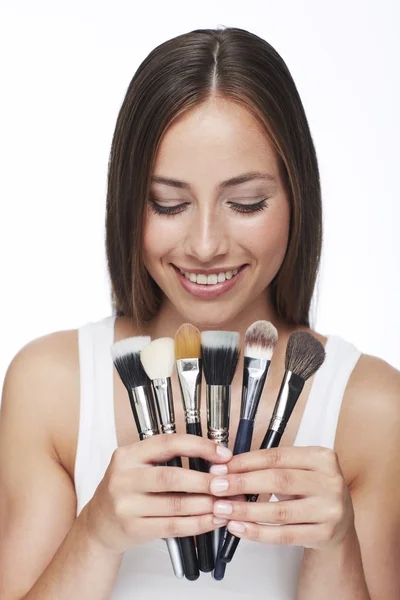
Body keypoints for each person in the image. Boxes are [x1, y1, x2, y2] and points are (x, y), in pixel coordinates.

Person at [0, 26, 399, 600]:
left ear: (297, 198)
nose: (206, 244)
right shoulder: (53, 386)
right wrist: (94, 535)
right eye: (169, 203)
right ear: (127, 201)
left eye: (246, 203)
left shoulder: (373, 409)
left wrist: (338, 548)